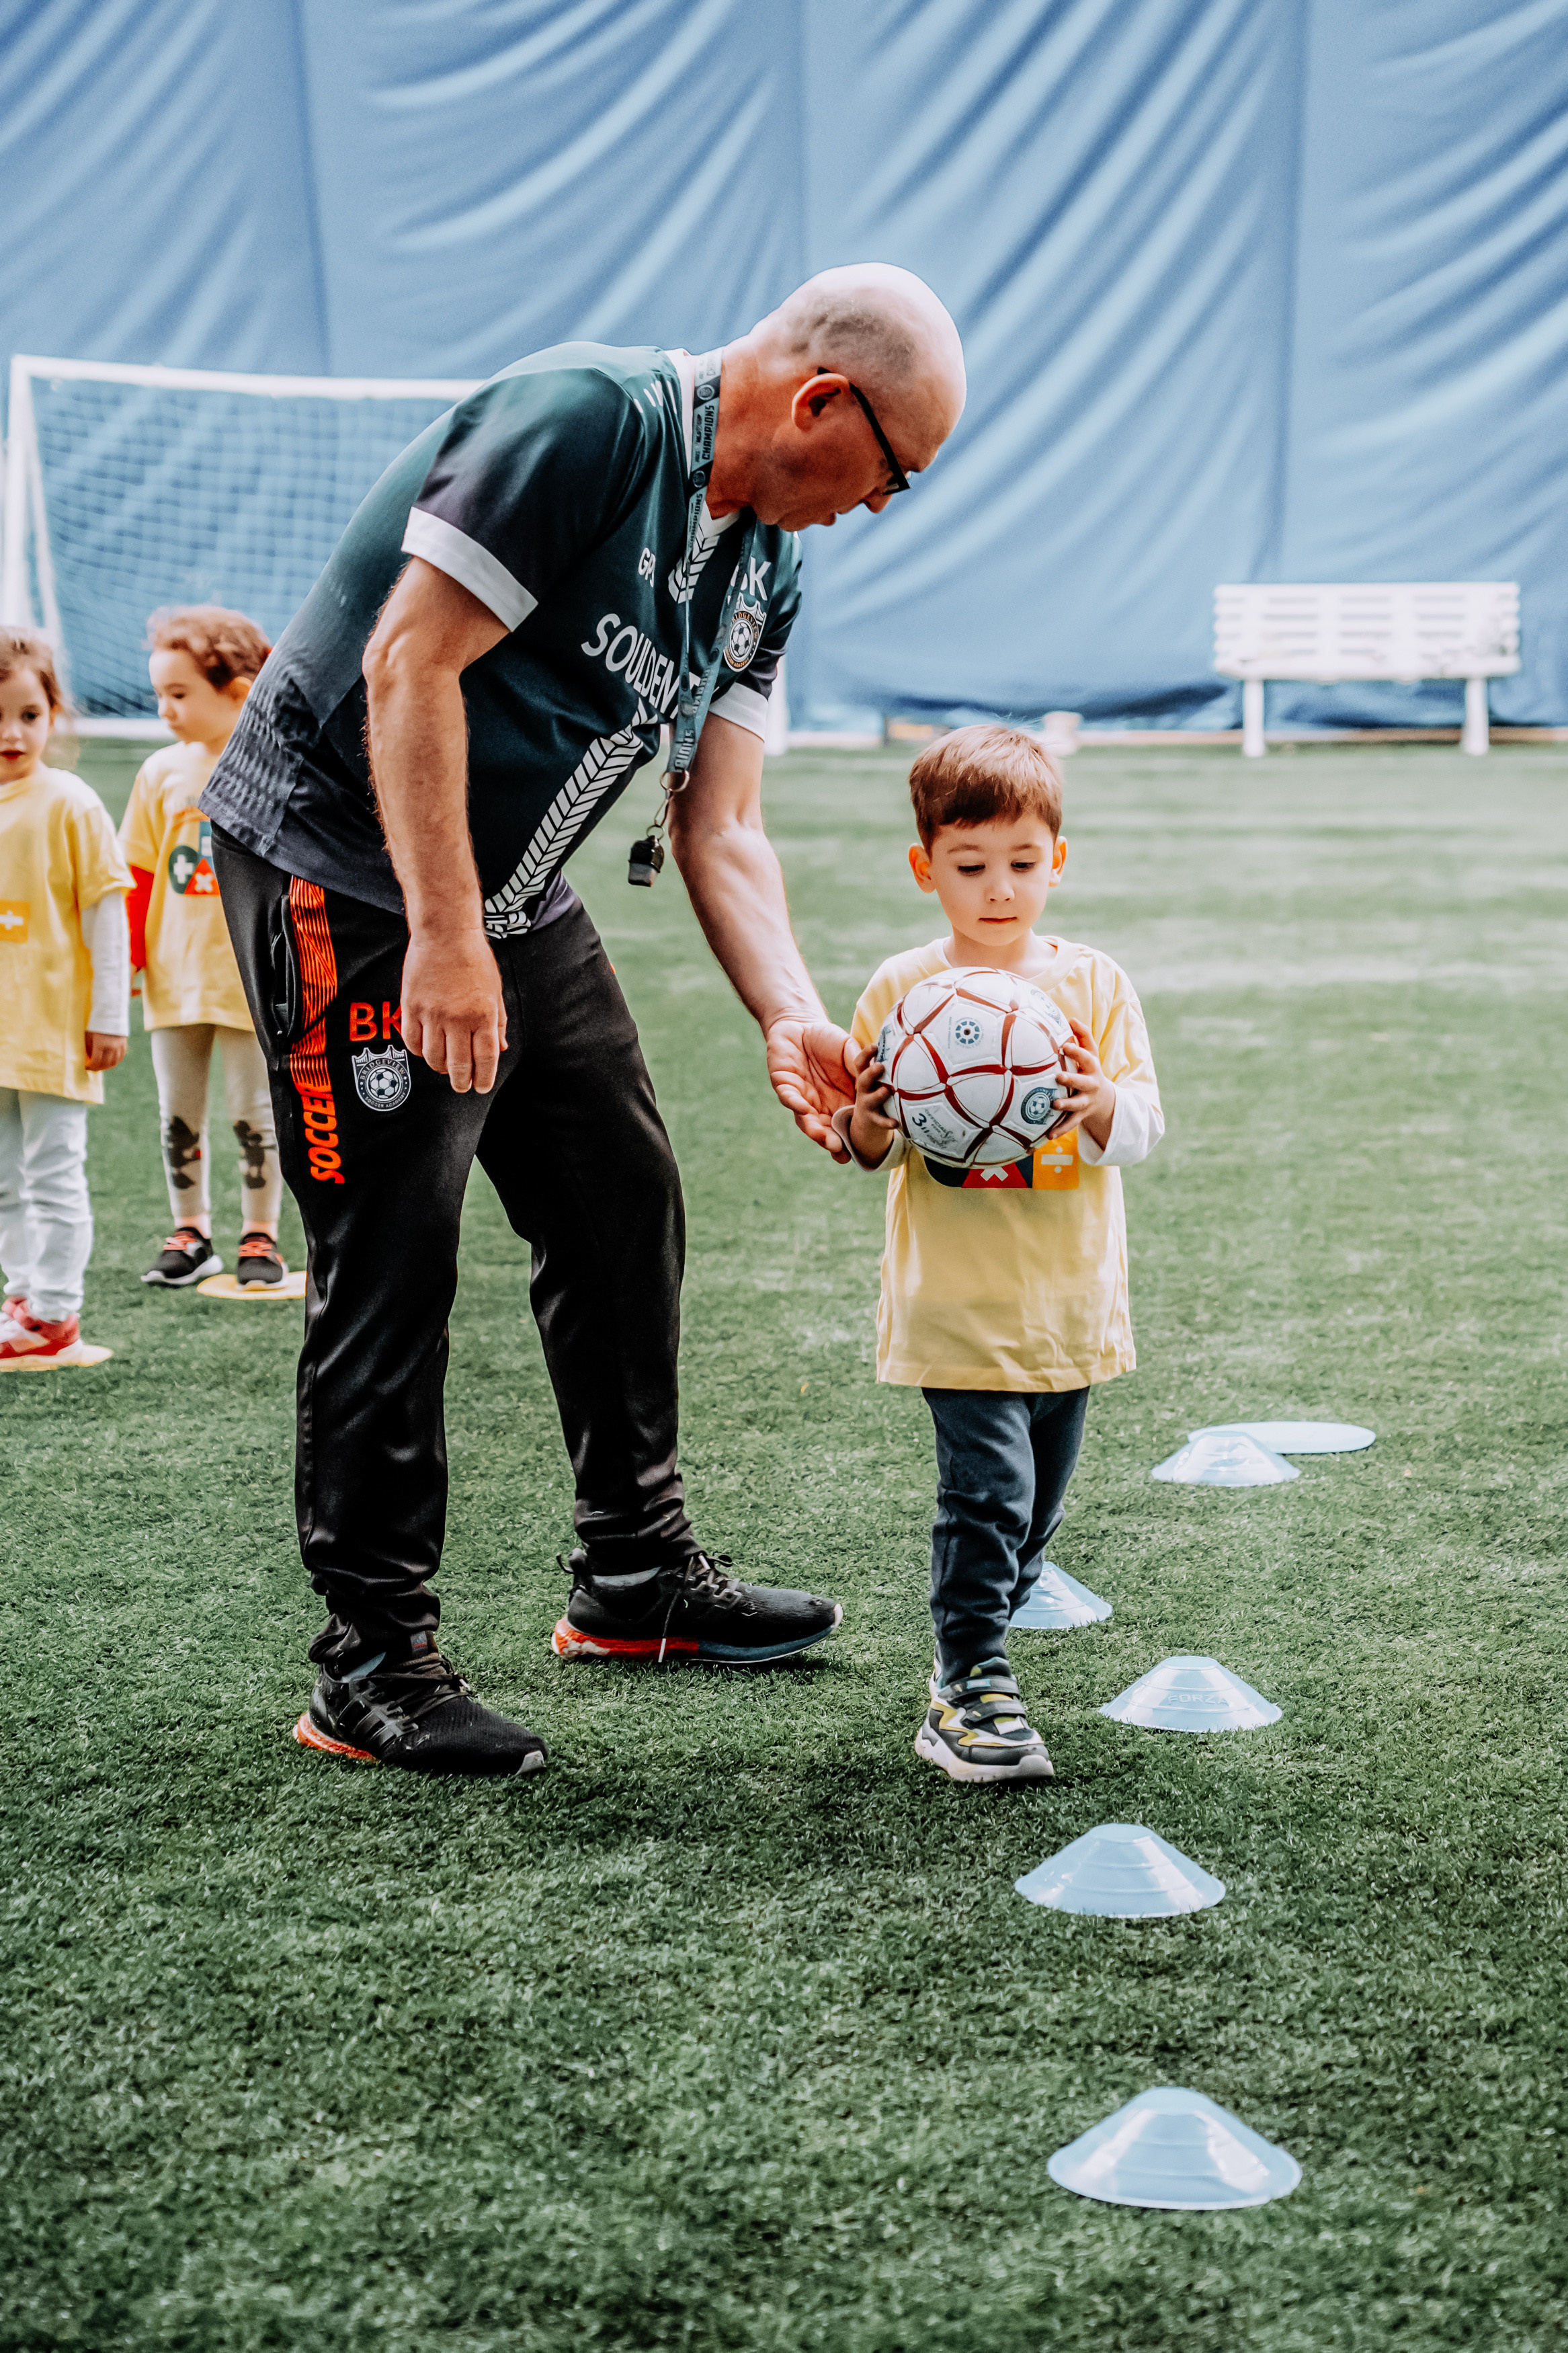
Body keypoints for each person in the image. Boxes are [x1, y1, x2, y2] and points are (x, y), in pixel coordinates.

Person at [201, 264, 967, 1778]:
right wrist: (441, 935)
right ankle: (371, 1659)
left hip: (510, 885)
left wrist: (790, 1014)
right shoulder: (586, 420)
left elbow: (719, 822)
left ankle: (633, 1571)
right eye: (892, 472)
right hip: (341, 857)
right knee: (393, 1247)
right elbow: (408, 662)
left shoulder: (765, 565)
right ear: (821, 403)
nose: (879, 506)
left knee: (620, 1191)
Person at [835, 725, 1163, 1784]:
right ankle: (967, 1683)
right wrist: (869, 1118)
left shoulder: (1093, 985)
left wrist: (1100, 1102)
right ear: (924, 867)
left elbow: (1143, 1126)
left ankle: (975, 1641)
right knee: (989, 1497)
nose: (999, 888)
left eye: (1022, 863)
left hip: (1068, 1306)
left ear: (1056, 860)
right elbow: (866, 1145)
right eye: (970, 866)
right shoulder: (902, 990)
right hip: (956, 1305)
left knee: (1032, 1519)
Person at [120, 607, 286, 1289]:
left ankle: (260, 1235)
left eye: (179, 693)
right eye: (160, 692)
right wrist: (128, 962)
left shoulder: (276, 766)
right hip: (174, 977)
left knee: (255, 1115)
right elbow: (136, 874)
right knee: (177, 1113)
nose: (164, 708)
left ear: (239, 691)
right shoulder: (160, 771)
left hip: (253, 978)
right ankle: (190, 1231)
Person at [0, 631, 131, 1365]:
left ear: (54, 713)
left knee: (52, 1173)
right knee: (2, 1180)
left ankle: (55, 1312)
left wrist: (108, 1016)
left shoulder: (71, 803)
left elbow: (106, 915)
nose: (14, 733)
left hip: (52, 1031)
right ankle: (22, 1297)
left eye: (29, 714)